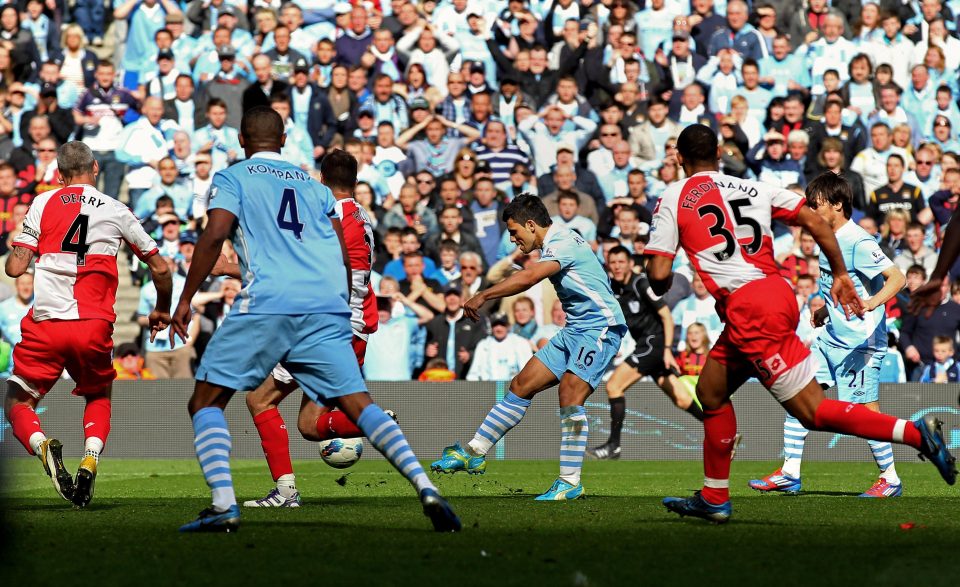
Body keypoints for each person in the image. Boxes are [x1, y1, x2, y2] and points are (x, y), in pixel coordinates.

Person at [645, 124, 955, 524]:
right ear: (720, 153)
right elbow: (816, 221)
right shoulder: (753, 187)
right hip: (773, 296)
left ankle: (918, 435)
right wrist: (841, 273)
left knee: (812, 411)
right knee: (710, 390)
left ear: (678, 157)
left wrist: (666, 271)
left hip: (751, 309)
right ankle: (714, 496)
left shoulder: (674, 196)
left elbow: (657, 274)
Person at [169, 107, 459, 533]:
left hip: (269, 300)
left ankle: (224, 504)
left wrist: (185, 298)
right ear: (285, 140)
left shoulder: (233, 176)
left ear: (244, 143)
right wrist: (337, 307)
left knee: (207, 401)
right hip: (327, 307)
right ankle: (426, 487)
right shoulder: (315, 188)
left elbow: (214, 235)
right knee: (358, 405)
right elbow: (340, 256)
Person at [205, 149, 382, 507]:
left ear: (320, 179)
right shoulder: (362, 218)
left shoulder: (324, 216)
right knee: (309, 424)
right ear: (356, 182)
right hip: (357, 328)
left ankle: (287, 492)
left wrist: (228, 269)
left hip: (322, 326)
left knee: (259, 399)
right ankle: (370, 421)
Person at [2, 141, 173, 508]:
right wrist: (161, 309)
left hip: (46, 323)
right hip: (92, 325)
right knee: (98, 394)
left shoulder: (43, 202)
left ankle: (40, 444)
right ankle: (91, 457)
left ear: (59, 175)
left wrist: (36, 254)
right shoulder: (117, 209)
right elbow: (160, 267)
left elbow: (14, 268)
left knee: (17, 402)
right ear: (96, 168)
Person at [431, 194, 628, 501]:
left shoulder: (562, 242)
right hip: (575, 329)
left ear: (532, 225)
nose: (513, 239)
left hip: (600, 327)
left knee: (570, 393)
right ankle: (474, 452)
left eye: (514, 232)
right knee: (521, 384)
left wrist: (483, 295)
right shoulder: (556, 242)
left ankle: (570, 481)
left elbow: (530, 277)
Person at [750, 172, 908, 498]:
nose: (811, 211)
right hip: (832, 337)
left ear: (837, 205)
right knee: (799, 395)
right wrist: (826, 309)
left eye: (816, 205)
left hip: (860, 343)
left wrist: (869, 303)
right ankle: (790, 472)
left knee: (863, 414)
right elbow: (842, 281)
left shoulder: (858, 240)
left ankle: (890, 478)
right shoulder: (827, 237)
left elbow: (897, 278)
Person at [587, 246, 703, 461]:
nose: (617, 266)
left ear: (630, 263)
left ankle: (614, 446)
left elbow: (666, 317)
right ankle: (722, 434)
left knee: (614, 385)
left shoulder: (641, 283)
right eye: (613, 263)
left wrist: (667, 350)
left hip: (655, 344)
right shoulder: (614, 289)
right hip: (647, 346)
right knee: (681, 398)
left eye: (621, 262)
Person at [466, 313, 533, 381]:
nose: (499, 328)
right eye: (495, 325)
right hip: (489, 388)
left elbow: (529, 372)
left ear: (508, 326)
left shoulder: (520, 343)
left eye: (502, 324)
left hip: (514, 388)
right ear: (491, 327)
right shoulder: (483, 345)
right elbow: (473, 374)